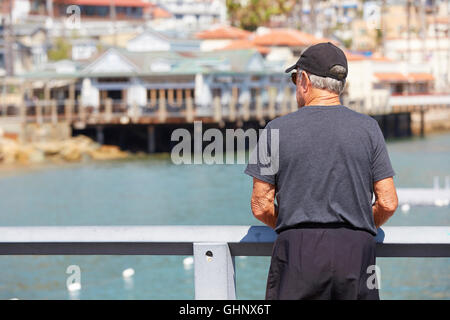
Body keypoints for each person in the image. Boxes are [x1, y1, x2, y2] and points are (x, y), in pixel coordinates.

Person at [244, 42, 398, 300]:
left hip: (298, 253)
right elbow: (388, 202)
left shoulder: (276, 130)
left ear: (304, 79)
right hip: (356, 251)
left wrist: (293, 223)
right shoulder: (369, 128)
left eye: (294, 78)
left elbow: (260, 205)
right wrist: (356, 222)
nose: (295, 85)